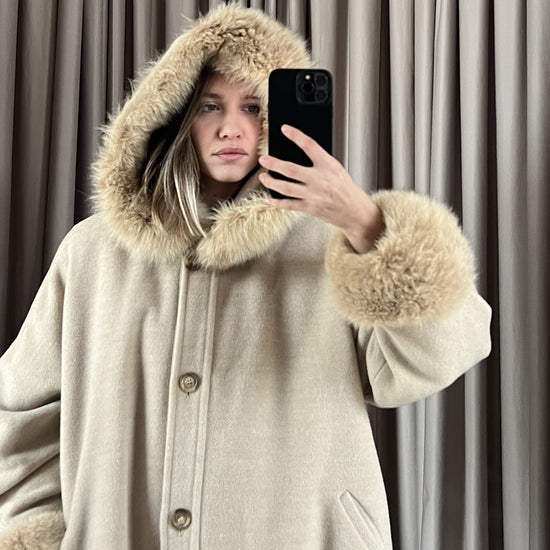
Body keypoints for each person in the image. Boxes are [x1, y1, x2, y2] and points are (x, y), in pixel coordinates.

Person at [0, 5, 491, 550]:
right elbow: (16, 419)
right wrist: (42, 534)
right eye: (210, 106)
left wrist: (367, 222)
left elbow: (442, 353)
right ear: (174, 113)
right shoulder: (93, 254)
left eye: (253, 107)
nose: (231, 127)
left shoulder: (333, 246)